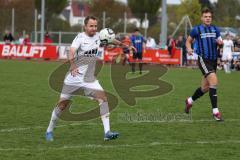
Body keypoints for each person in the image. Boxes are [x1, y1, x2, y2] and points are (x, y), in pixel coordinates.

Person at [45, 16, 120, 142]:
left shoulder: (98, 37)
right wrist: (73, 65)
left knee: (103, 99)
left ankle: (107, 132)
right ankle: (49, 131)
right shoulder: (80, 38)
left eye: (95, 26)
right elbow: (71, 51)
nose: (94, 28)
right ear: (85, 26)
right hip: (73, 79)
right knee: (62, 106)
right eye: (91, 26)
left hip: (89, 80)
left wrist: (125, 46)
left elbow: (111, 39)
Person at [185, 8, 224, 121]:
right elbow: (188, 41)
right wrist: (189, 48)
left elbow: (220, 43)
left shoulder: (215, 29)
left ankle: (189, 101)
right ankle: (215, 112)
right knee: (214, 81)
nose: (208, 18)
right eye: (206, 16)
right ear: (202, 18)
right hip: (203, 59)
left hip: (213, 60)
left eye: (209, 17)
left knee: (205, 88)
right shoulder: (196, 30)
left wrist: (220, 44)